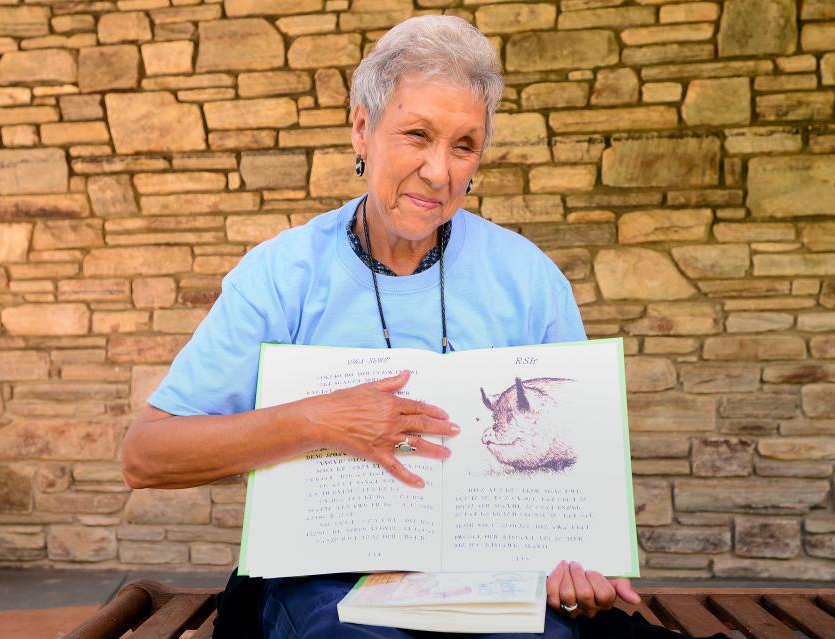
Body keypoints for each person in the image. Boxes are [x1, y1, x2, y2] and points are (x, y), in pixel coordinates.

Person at [122, 15, 643, 639]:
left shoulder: (529, 280)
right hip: (325, 583)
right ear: (362, 130)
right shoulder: (283, 274)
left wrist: (579, 573)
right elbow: (146, 455)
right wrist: (316, 421)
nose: (439, 171)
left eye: (464, 145)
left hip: (494, 582)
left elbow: (579, 485)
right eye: (416, 134)